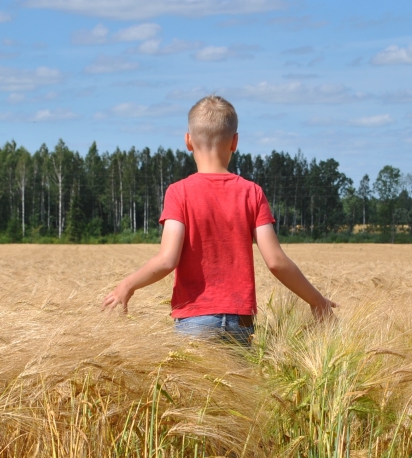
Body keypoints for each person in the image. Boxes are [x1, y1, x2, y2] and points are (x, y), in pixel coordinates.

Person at [102, 95, 336, 343]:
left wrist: (128, 285)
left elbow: (167, 260)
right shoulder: (252, 192)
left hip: (194, 321)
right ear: (235, 142)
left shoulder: (178, 192)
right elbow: (276, 261)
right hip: (240, 322)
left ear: (188, 141)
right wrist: (316, 301)